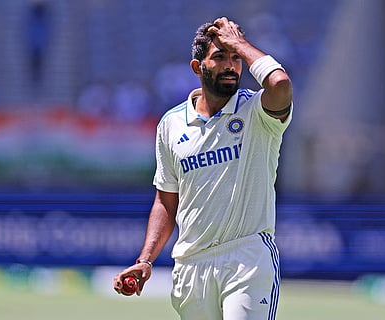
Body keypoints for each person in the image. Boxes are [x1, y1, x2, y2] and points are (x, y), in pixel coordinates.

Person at [113, 17, 293, 320]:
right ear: (198, 67)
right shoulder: (171, 124)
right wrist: (146, 259)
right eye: (219, 57)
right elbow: (166, 200)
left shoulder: (257, 113)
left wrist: (238, 43)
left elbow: (280, 84)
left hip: (247, 257)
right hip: (191, 265)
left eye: (235, 58)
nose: (230, 65)